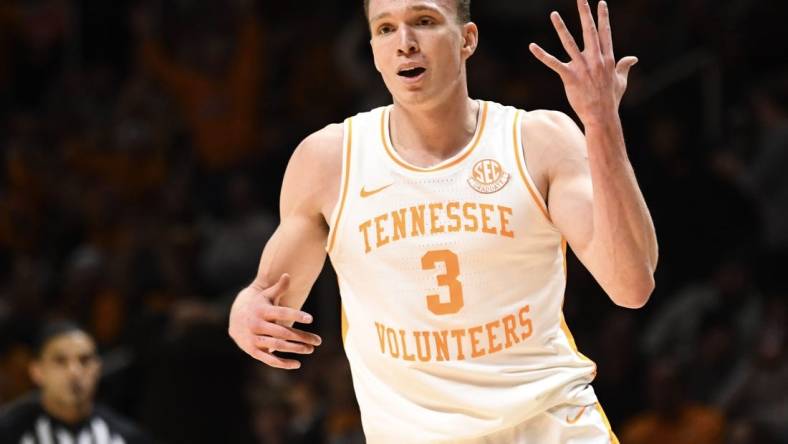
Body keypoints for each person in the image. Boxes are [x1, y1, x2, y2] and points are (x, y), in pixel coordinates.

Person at [228, 0, 658, 442]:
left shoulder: (537, 142)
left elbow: (631, 285)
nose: (405, 44)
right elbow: (269, 298)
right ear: (373, 50)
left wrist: (601, 121)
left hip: (549, 426)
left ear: (467, 39)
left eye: (424, 22)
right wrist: (246, 313)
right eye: (385, 29)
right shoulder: (329, 161)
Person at [0, 321, 152, 444]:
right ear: (37, 371)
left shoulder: (127, 437)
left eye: (84, 360)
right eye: (60, 361)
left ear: (97, 368)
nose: (75, 372)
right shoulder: (8, 433)